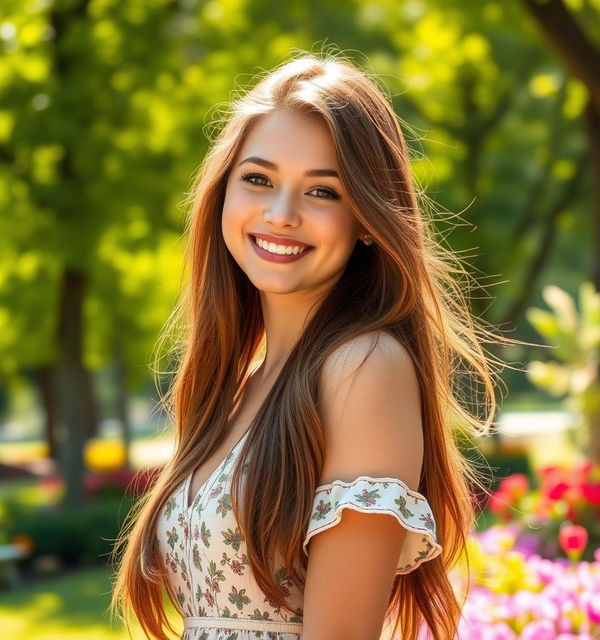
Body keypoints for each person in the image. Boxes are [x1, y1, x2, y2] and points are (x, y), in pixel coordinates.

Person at [109, 50, 517, 640]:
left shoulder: (363, 368)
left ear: (369, 220)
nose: (280, 214)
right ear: (223, 193)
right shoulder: (241, 385)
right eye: (258, 179)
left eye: (322, 192)